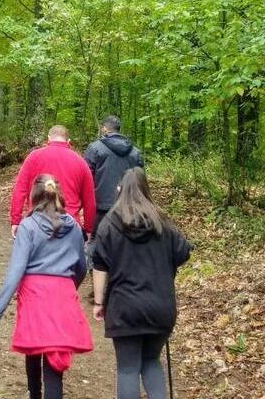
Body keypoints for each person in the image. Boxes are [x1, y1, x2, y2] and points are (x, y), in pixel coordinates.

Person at [91, 167, 192, 399]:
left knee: (127, 368)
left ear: (120, 190)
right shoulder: (163, 223)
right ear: (147, 190)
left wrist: (98, 302)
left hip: (125, 307)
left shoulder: (110, 224)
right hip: (160, 306)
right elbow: (183, 253)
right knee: (151, 361)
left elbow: (99, 265)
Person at [0, 175, 93, 399]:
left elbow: (16, 269)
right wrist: (69, 286)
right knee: (54, 357)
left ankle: (34, 394)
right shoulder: (74, 227)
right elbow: (81, 266)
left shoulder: (28, 226)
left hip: (34, 294)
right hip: (63, 292)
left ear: (34, 197)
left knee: (33, 347)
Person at [9, 125, 96, 239]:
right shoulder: (80, 162)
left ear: (48, 138)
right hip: (69, 226)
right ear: (68, 141)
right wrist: (89, 229)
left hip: (36, 223)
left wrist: (15, 220)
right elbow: (90, 200)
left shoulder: (33, 157)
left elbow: (20, 190)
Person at [84, 115, 144, 266]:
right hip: (128, 205)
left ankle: (96, 275)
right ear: (119, 129)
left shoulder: (95, 148)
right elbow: (141, 179)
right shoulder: (135, 152)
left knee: (95, 240)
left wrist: (85, 202)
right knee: (125, 240)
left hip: (101, 205)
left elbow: (86, 178)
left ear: (104, 128)